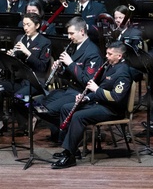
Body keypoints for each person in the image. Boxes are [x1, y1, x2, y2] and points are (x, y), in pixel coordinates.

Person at [51, 41, 133, 169]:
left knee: (79, 116)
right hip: (100, 104)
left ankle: (70, 156)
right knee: (66, 108)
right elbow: (102, 88)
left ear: (119, 56)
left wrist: (95, 90)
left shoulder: (123, 73)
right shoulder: (110, 66)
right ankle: (71, 149)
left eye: (110, 54)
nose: (106, 56)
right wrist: (86, 97)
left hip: (112, 110)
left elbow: (115, 97)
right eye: (106, 53)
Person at [34, 16, 102, 138]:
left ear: (82, 31)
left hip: (80, 93)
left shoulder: (92, 52)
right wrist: (60, 69)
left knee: (48, 110)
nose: (69, 37)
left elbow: (87, 81)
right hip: (68, 89)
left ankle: (67, 131)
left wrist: (70, 63)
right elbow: (69, 74)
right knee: (36, 104)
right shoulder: (74, 46)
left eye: (71, 33)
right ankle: (63, 128)